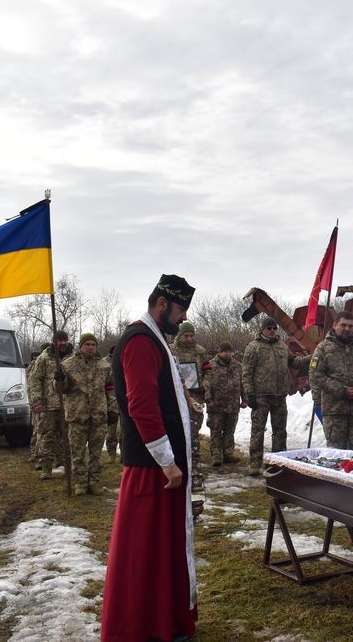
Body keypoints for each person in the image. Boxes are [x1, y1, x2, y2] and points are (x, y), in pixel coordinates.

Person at [101, 274, 197, 642]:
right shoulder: (140, 341)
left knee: (161, 549)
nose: (183, 317)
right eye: (180, 309)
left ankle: (163, 622)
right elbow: (141, 405)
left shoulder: (155, 340)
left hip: (161, 465)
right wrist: (166, 461)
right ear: (161, 304)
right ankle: (138, 628)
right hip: (151, 468)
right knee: (143, 552)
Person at [242, 317, 309, 475]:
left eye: (274, 328)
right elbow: (246, 372)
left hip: (280, 396)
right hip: (261, 396)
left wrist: (311, 358)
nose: (272, 331)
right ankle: (255, 463)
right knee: (258, 431)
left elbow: (294, 362)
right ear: (262, 329)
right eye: (269, 328)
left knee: (280, 431)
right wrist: (250, 394)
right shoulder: (253, 347)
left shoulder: (282, 346)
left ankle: (279, 462)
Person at [309, 311, 353, 451]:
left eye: (350, 326)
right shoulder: (323, 348)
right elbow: (315, 374)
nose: (347, 329)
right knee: (337, 456)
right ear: (335, 325)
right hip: (335, 413)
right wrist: (342, 391)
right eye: (343, 325)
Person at [60, 333, 112, 495]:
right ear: (81, 346)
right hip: (77, 415)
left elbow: (110, 389)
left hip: (98, 415)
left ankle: (94, 482)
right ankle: (81, 483)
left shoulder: (104, 366)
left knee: (96, 453)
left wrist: (113, 409)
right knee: (77, 453)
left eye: (93, 344)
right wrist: (58, 380)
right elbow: (61, 390)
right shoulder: (67, 365)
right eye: (87, 344)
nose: (90, 347)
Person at [169, 321, 209, 489]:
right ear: (179, 335)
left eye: (191, 335)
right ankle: (177, 470)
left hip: (196, 396)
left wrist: (204, 385)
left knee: (193, 434)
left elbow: (208, 371)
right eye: (186, 336)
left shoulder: (200, 351)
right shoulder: (171, 350)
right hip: (176, 398)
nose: (189, 339)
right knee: (177, 434)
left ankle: (195, 474)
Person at [28, 331, 72, 480]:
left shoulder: (73, 357)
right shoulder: (44, 358)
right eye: (60, 340)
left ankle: (68, 467)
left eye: (65, 340)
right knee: (48, 436)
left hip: (70, 405)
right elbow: (34, 379)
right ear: (54, 342)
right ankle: (46, 469)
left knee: (69, 438)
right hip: (49, 406)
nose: (63, 343)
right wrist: (36, 401)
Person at [203, 342, 247, 467]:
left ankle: (228, 454)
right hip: (216, 405)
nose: (228, 354)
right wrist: (208, 399)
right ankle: (216, 456)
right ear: (220, 352)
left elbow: (242, 383)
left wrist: (245, 399)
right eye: (225, 351)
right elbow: (206, 384)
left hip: (233, 405)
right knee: (216, 431)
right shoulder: (211, 365)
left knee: (229, 431)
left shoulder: (237, 365)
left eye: (230, 351)